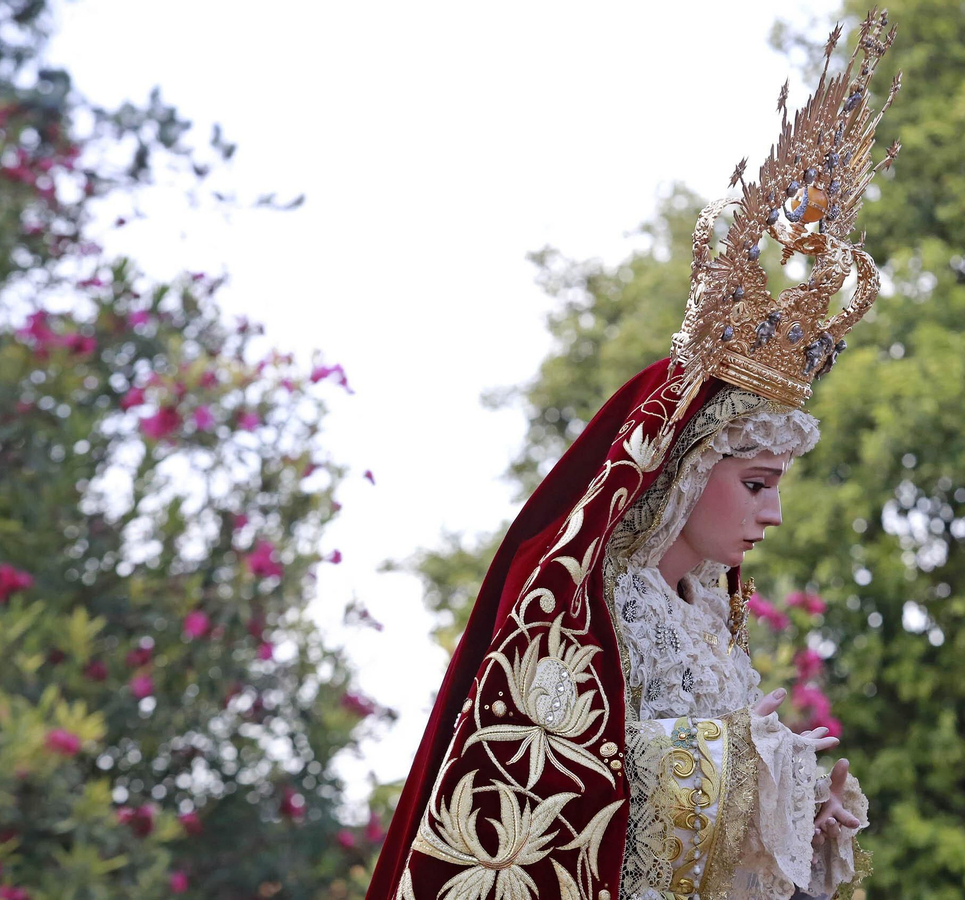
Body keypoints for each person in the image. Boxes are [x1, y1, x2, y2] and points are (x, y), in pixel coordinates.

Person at [367, 11, 901, 899]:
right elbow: (552, 799)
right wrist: (748, 773)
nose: (773, 513)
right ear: (688, 466)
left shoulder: (703, 617)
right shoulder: (581, 599)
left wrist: (799, 816)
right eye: (758, 483)